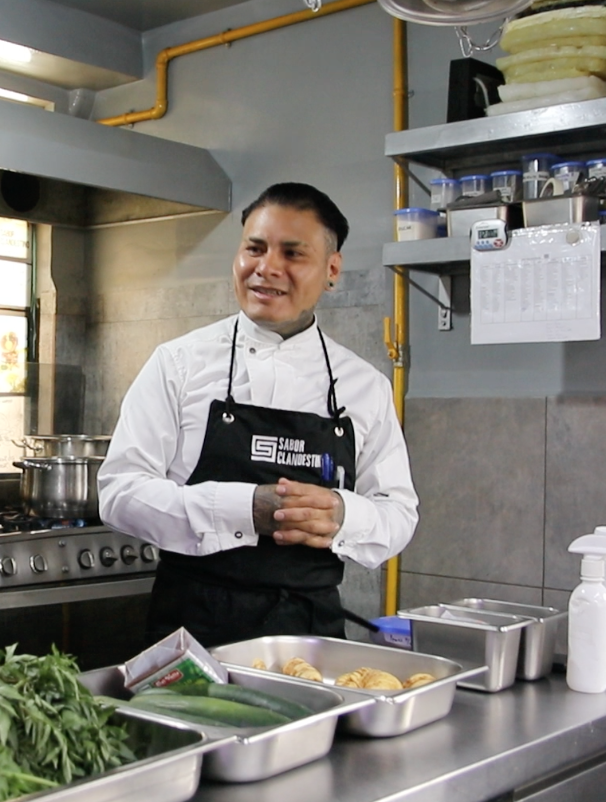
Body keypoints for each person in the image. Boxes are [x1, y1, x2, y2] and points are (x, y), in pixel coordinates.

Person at [98, 183, 419, 647]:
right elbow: (119, 492)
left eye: (292, 253)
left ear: (332, 270)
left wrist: (342, 513)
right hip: (190, 634)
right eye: (255, 248)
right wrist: (244, 509)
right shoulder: (178, 364)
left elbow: (399, 513)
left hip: (311, 638)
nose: (267, 268)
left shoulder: (364, 386)